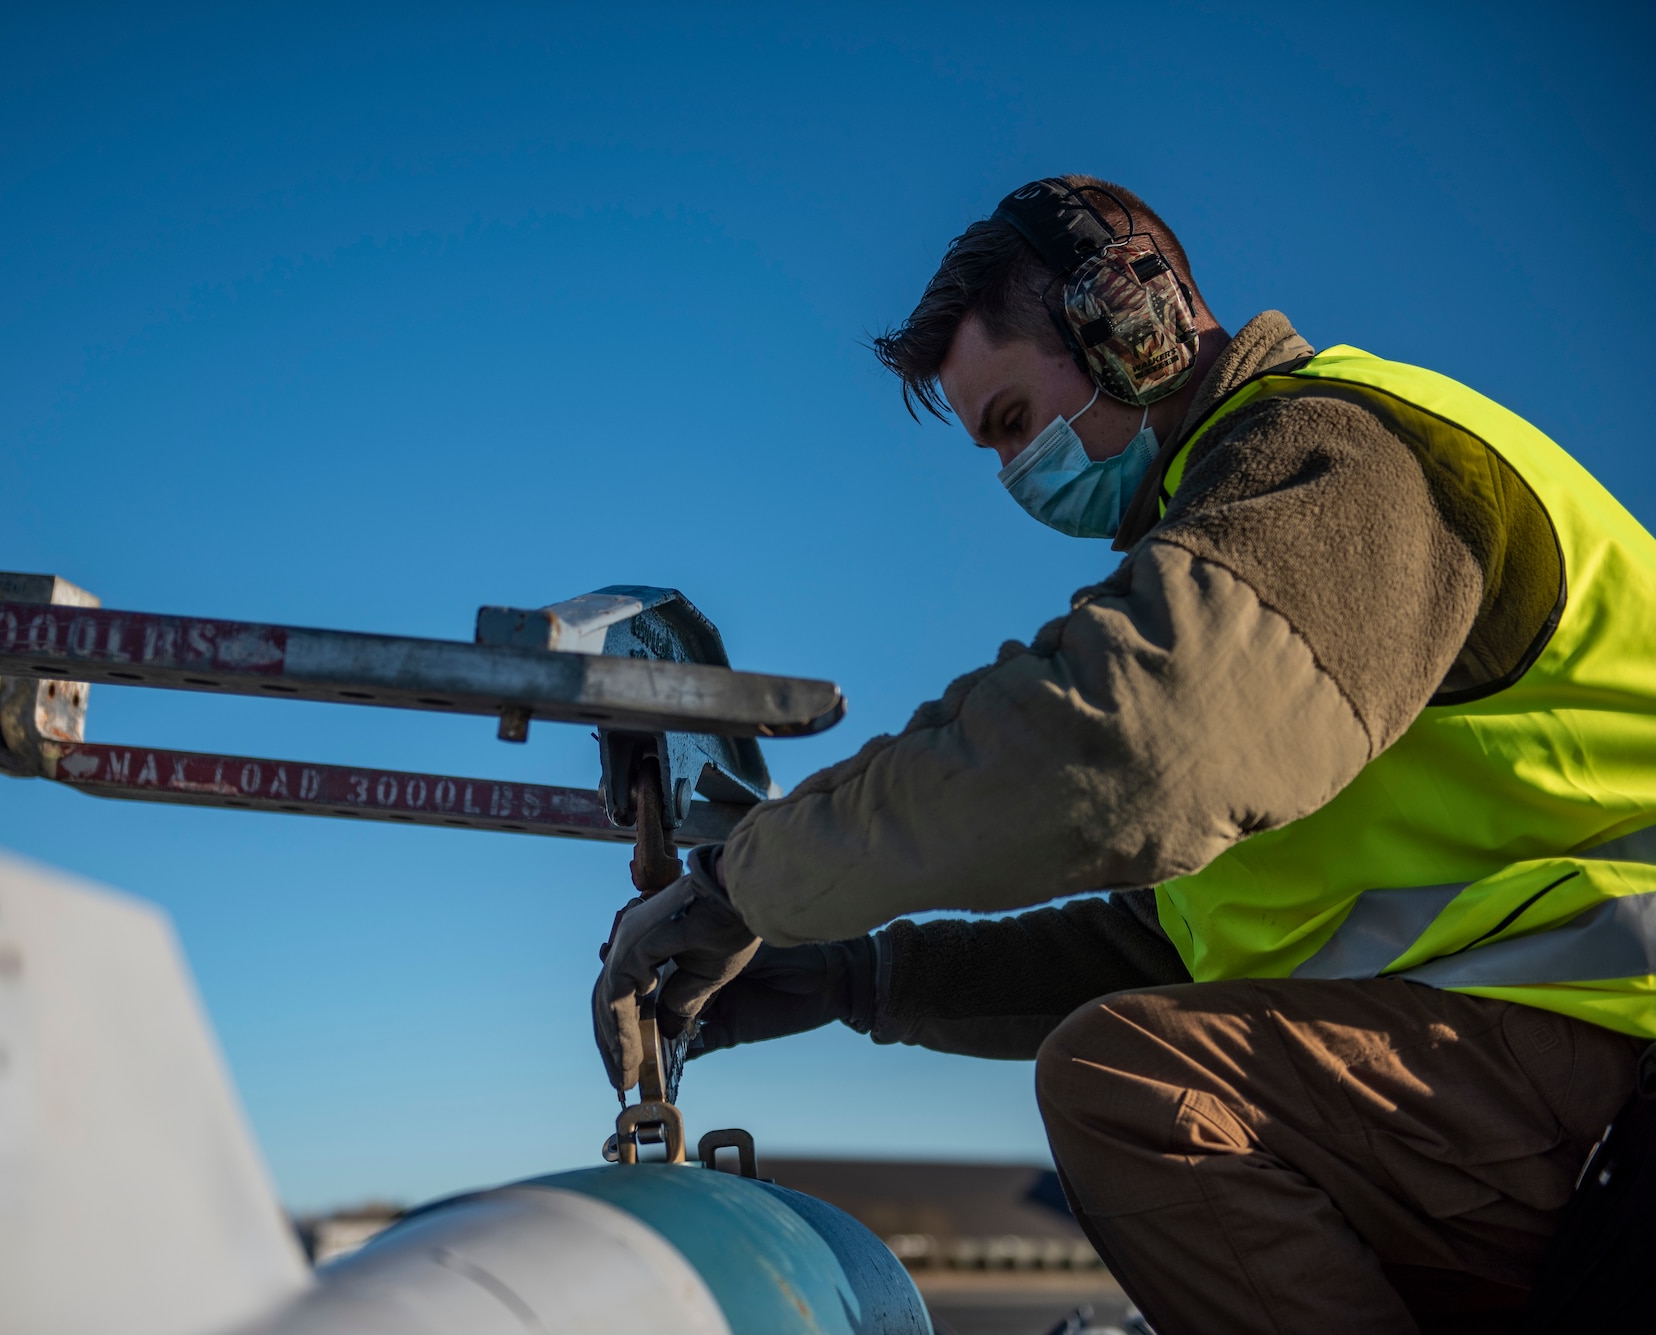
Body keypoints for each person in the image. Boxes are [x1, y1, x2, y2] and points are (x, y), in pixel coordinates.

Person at [592, 175, 1656, 1334]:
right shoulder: (1252, 549)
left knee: (1134, 1090)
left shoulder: (1337, 457)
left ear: (1127, 325)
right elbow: (1164, 944)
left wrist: (748, 882)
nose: (1015, 477)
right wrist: (859, 975)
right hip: (1527, 1079)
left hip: (1617, 1070)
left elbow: (1127, 749)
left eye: (1011, 422)